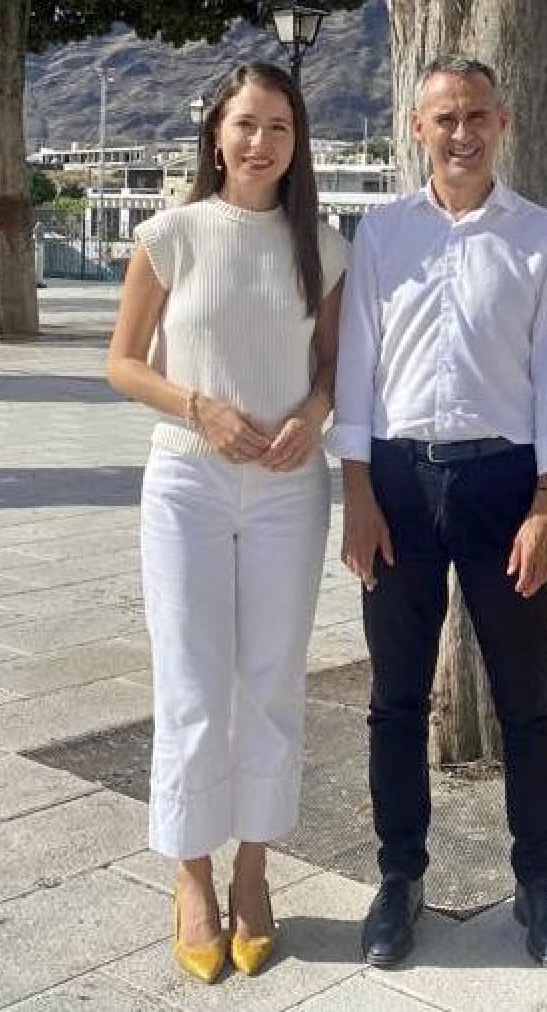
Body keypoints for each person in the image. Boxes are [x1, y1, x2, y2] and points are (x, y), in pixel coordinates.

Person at [331, 55, 547, 971]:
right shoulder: (381, 232)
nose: (463, 133)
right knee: (394, 699)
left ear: (503, 122)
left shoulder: (543, 237)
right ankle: (398, 879)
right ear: (417, 127)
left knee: (527, 699)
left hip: (503, 482)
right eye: (445, 118)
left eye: (477, 115)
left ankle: (538, 882)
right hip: (397, 479)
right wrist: (353, 491)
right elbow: (355, 368)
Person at [106, 62, 348, 984]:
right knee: (194, 682)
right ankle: (190, 871)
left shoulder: (320, 246)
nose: (261, 142)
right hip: (189, 485)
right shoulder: (169, 235)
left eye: (279, 127)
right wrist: (196, 406)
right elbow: (123, 364)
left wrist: (312, 417)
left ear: (297, 142)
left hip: (290, 489)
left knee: (270, 681)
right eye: (246, 124)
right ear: (216, 133)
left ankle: (254, 868)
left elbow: (331, 369)